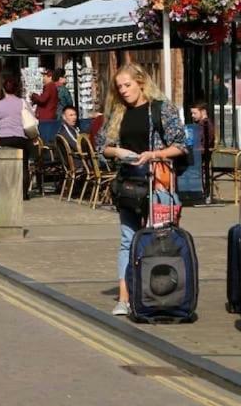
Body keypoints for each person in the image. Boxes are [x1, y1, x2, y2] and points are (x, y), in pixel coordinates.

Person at [98, 63, 186, 317]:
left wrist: (154, 154)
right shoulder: (118, 112)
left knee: (161, 240)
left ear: (141, 82)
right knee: (128, 240)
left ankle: (161, 293)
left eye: (127, 85)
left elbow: (180, 145)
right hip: (128, 185)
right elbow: (102, 146)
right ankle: (124, 299)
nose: (123, 91)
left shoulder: (161, 108)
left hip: (158, 183)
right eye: (119, 87)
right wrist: (116, 151)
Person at [0, 74, 32, 201]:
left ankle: (7, 191)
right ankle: (24, 193)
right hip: (21, 137)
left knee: (6, 166)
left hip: (5, 138)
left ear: (3, 89)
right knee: (23, 166)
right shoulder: (23, 103)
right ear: (17, 89)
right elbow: (32, 117)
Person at [190, 100, 215, 201]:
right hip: (199, 154)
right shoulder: (201, 124)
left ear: (203, 112)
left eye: (194, 113)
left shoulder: (204, 125)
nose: (192, 115)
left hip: (200, 155)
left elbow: (202, 142)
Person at [57, 104, 85, 174]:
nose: (74, 117)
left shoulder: (74, 128)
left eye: (75, 115)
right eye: (71, 115)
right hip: (78, 164)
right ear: (64, 117)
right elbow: (77, 145)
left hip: (80, 161)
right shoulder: (66, 130)